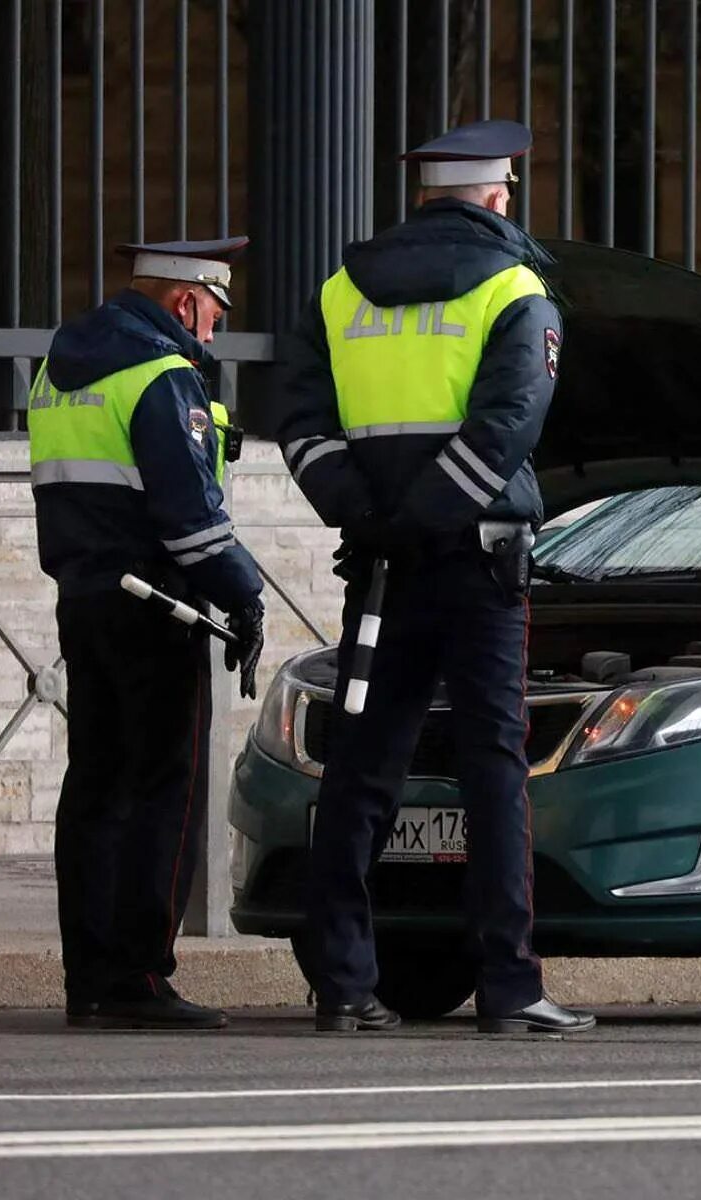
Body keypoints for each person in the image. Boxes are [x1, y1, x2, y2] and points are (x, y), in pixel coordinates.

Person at [277, 120, 594, 1034]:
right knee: (494, 764)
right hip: (479, 563)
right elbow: (507, 427)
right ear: (498, 194)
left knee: (363, 765)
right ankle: (510, 986)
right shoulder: (515, 288)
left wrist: (369, 514)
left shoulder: (338, 290)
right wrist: (428, 515)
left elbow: (300, 419)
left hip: (381, 565)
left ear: (424, 195)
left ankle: (342, 983)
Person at [29, 238, 266, 1030]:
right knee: (165, 787)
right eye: (212, 312)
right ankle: (139, 976)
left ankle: (90, 979)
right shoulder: (162, 376)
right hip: (158, 606)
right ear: (185, 301)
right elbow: (191, 520)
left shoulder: (59, 372)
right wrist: (246, 594)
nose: (212, 329)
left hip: (84, 599)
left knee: (95, 789)